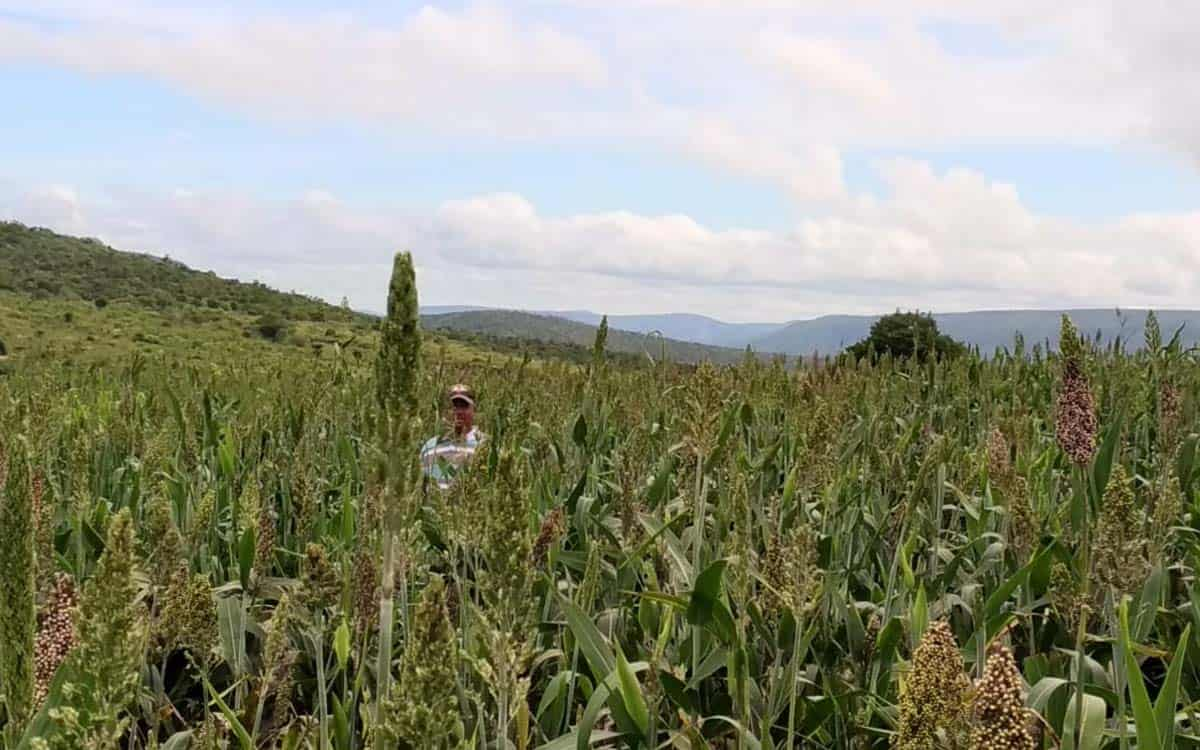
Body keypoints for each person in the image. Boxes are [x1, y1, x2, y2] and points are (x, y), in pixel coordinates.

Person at [420, 383, 484, 490]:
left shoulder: (484, 444)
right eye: (453, 406)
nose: (458, 411)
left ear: (474, 410)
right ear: (445, 410)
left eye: (464, 406)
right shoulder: (430, 447)